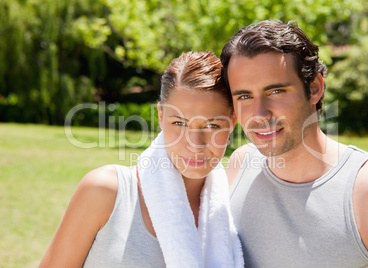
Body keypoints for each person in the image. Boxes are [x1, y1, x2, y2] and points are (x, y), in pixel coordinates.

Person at [220, 20, 368, 267]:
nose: (259, 113)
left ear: (314, 88)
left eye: (276, 92)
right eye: (244, 96)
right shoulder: (240, 165)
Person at [39, 51, 243, 267]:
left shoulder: (232, 206)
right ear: (161, 116)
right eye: (179, 123)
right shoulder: (106, 191)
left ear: (232, 122)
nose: (195, 143)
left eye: (212, 125)